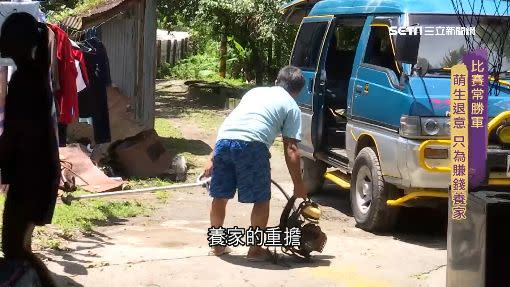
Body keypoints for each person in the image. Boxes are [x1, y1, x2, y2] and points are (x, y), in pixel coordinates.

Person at [204, 65, 307, 261]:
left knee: (220, 196)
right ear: (298, 91)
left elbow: (234, 122)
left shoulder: (255, 92)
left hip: (224, 142)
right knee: (261, 200)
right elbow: (292, 149)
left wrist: (213, 156)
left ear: (277, 81)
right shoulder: (292, 106)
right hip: (252, 146)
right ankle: (255, 249)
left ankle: (217, 246)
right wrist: (299, 185)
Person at [0, 12, 61, 287]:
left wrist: (4, 164)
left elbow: (17, 134)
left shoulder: (26, 81)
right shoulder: (35, 74)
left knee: (15, 248)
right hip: (37, 174)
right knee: (17, 246)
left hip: (31, 177)